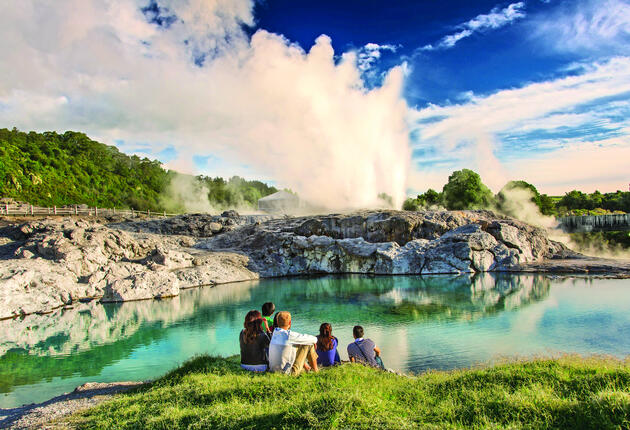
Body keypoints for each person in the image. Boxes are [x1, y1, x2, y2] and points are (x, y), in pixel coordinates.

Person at [268, 311, 319, 375]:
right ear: (290, 322)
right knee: (309, 344)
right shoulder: (289, 335)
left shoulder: (274, 333)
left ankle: (308, 368)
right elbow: (314, 339)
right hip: (287, 373)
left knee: (297, 345)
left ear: (277, 322)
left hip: (273, 370)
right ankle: (316, 371)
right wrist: (314, 342)